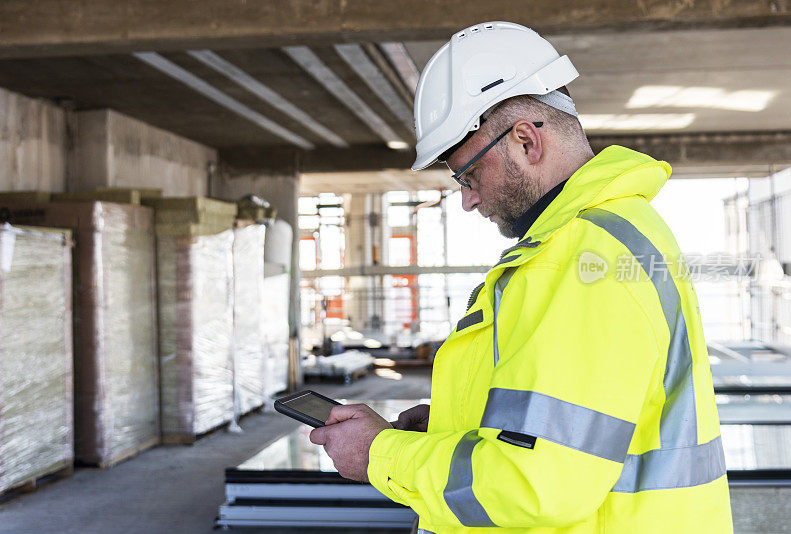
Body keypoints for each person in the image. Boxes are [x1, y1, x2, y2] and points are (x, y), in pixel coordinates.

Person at [310, 21, 734, 533]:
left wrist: (381, 453)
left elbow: (535, 483)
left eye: (469, 175)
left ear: (526, 141)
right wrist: (453, 424)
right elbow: (571, 429)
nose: (467, 199)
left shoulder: (580, 261)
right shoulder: (607, 234)